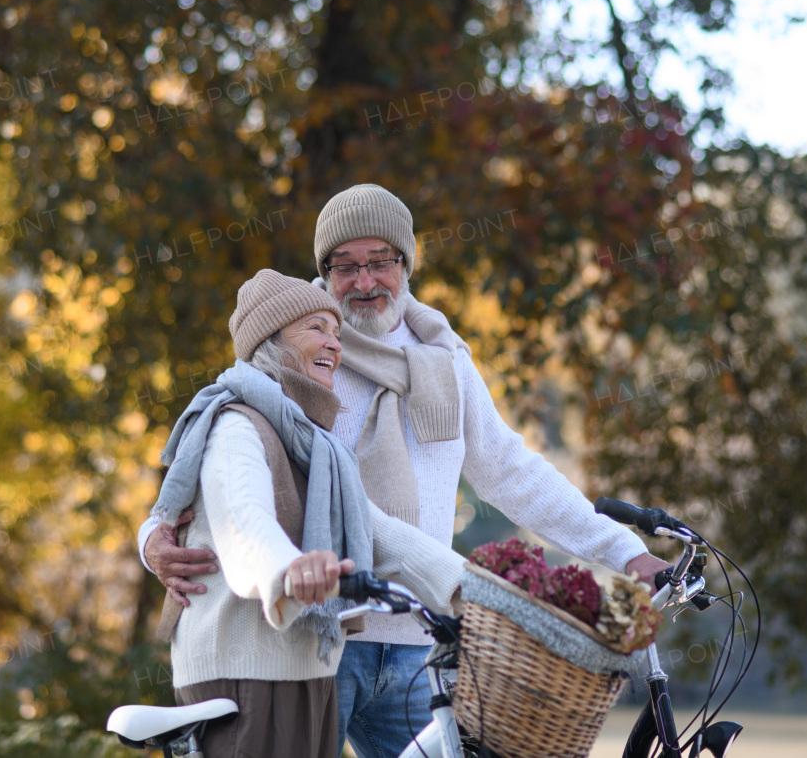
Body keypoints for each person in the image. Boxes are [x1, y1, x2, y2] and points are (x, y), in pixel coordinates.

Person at [144, 185, 671, 758]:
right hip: (314, 639)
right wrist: (153, 539)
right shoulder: (291, 348)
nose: (364, 282)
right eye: (343, 266)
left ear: (407, 264)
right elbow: (220, 475)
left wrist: (622, 551)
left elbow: (511, 472)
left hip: (420, 641)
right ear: (322, 272)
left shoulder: (446, 361)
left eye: (379, 262)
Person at [143, 268, 464, 758]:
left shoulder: (318, 448)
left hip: (305, 672)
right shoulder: (236, 426)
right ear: (270, 341)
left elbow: (381, 533)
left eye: (337, 332)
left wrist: (477, 588)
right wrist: (289, 571)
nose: (334, 344)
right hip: (246, 676)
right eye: (316, 328)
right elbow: (244, 525)